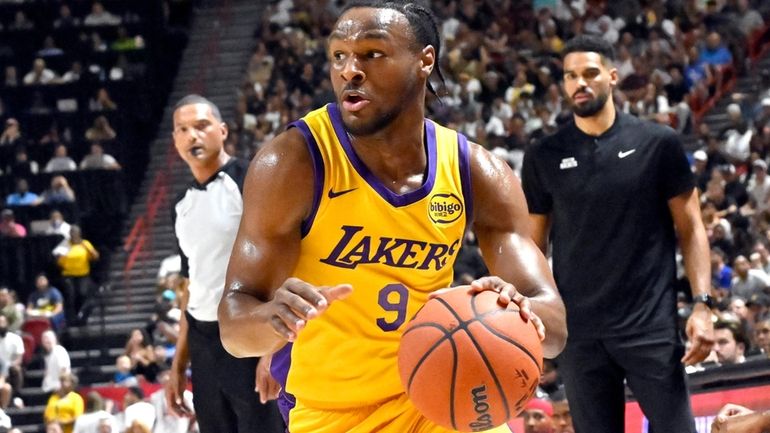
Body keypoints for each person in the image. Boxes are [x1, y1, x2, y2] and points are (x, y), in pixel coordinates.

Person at [218, 3, 567, 432]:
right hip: (333, 411)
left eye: (372, 54)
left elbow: (554, 330)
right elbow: (234, 327)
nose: (350, 70)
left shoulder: (476, 171)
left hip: (441, 397)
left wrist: (517, 310)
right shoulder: (293, 163)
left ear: (425, 61)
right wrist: (272, 319)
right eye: (339, 56)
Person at [520, 35, 714, 433]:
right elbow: (531, 246)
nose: (580, 83)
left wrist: (703, 305)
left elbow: (692, 228)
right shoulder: (543, 155)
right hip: (579, 333)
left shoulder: (657, 143)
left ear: (611, 76)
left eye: (590, 73)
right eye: (570, 76)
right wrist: (531, 322)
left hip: (649, 325)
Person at [165, 94, 282, 433]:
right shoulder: (181, 204)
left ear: (223, 130)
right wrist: (178, 364)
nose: (192, 136)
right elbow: (191, 284)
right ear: (174, 140)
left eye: (201, 126)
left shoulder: (252, 180)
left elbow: (282, 263)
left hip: (248, 331)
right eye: (183, 130)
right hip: (203, 342)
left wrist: (271, 349)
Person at [54, 225, 99, 324]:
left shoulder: (85, 243)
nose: (73, 234)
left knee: (82, 294)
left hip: (83, 274)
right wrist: (60, 257)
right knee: (70, 295)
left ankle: (81, 315)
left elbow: (95, 256)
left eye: (75, 232)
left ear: (79, 233)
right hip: (68, 275)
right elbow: (58, 261)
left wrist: (90, 251)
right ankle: (70, 319)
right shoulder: (65, 244)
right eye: (71, 232)